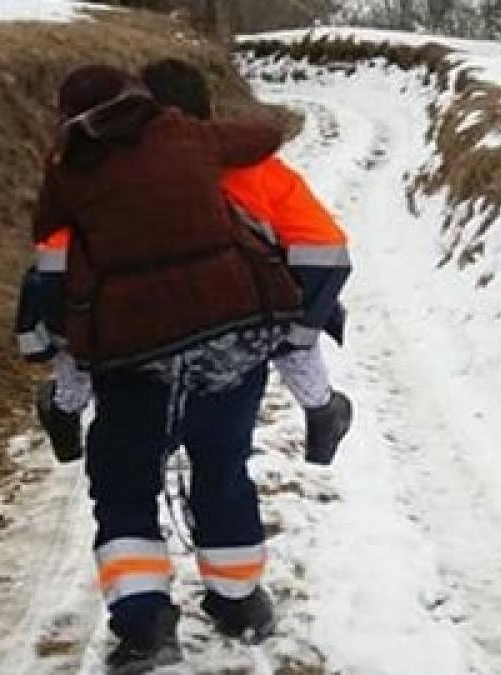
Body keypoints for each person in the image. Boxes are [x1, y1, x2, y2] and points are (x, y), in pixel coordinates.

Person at [27, 63, 305, 673]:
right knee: (223, 466)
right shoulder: (183, 132)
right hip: (230, 334)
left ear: (68, 116)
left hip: (135, 352)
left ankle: (145, 625)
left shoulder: (70, 165)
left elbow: (46, 231)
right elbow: (262, 136)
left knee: (124, 483)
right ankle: (239, 604)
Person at [18, 58, 354, 468]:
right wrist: (295, 329)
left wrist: (61, 333)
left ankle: (65, 409)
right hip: (241, 314)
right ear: (209, 109)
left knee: (86, 324)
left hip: (134, 325)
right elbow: (323, 249)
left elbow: (57, 263)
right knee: (283, 302)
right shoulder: (256, 170)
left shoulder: (103, 177)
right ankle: (321, 408)